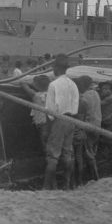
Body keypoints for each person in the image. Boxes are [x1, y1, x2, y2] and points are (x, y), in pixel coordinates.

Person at [43, 54, 79, 190]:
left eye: (53, 66)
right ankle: (67, 185)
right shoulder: (73, 84)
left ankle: (46, 187)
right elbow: (76, 106)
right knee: (67, 154)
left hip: (59, 121)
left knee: (53, 155)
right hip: (71, 120)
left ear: (56, 68)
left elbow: (50, 111)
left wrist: (47, 130)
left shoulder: (53, 85)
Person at [72, 76, 100, 186]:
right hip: (95, 125)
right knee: (90, 153)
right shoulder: (95, 93)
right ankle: (93, 177)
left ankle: (87, 179)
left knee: (87, 154)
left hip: (85, 128)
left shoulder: (83, 99)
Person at [21, 75, 50, 151]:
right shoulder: (51, 94)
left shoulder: (35, 95)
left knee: (45, 144)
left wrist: (31, 84)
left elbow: (23, 83)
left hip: (42, 123)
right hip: (51, 122)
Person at [99, 81, 112, 175]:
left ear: (109, 90)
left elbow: (99, 103)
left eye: (104, 89)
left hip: (111, 126)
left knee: (110, 149)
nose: (102, 91)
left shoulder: (110, 99)